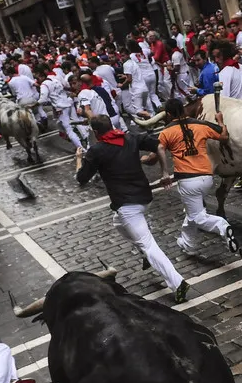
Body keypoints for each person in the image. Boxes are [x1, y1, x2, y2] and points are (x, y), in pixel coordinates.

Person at [76, 115, 190, 303]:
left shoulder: (96, 150)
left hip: (128, 205)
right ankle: (146, 254)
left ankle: (178, 283)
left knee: (149, 245)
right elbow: (160, 145)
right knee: (118, 223)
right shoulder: (130, 138)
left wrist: (79, 159)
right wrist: (164, 169)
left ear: (96, 133)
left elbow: (81, 178)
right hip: (143, 197)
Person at [156, 98, 238, 255]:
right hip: (207, 178)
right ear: (184, 110)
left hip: (188, 181)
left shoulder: (166, 132)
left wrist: (165, 173)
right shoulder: (200, 125)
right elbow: (224, 136)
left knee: (198, 218)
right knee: (192, 212)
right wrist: (221, 121)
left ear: (168, 114)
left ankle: (222, 226)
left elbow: (159, 149)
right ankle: (188, 245)